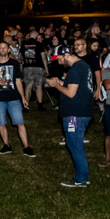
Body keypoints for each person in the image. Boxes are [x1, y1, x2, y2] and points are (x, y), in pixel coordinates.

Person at [46, 46, 96, 187]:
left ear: (67, 55)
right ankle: (83, 176)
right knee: (74, 144)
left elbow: (70, 93)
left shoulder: (75, 69)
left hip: (75, 113)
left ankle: (81, 178)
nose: (59, 62)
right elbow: (74, 87)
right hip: (82, 111)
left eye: (60, 59)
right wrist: (59, 82)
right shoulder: (83, 66)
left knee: (75, 145)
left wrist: (56, 85)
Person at [0, 41, 33, 157]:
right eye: (0, 48)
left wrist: (23, 98)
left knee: (20, 122)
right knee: (1, 123)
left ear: (8, 50)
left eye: (5, 48)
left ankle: (26, 147)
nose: (2, 49)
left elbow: (18, 81)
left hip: (13, 98)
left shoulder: (14, 63)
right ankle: (6, 145)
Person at [20, 29, 49, 111]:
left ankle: (26, 105)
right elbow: (44, 58)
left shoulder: (23, 44)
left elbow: (21, 57)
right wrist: (46, 69)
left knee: (28, 86)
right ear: (36, 36)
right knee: (38, 86)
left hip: (27, 67)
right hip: (38, 67)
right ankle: (40, 105)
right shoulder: (39, 44)